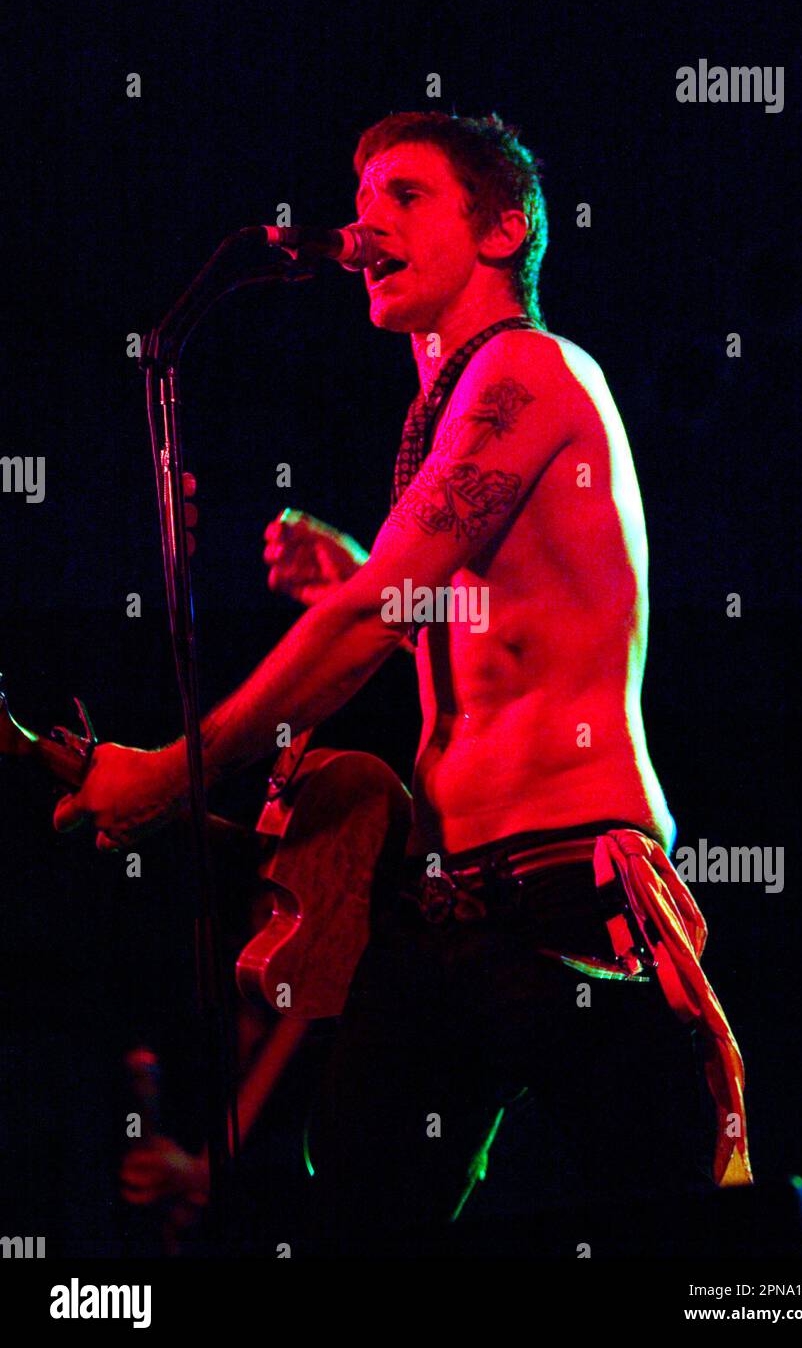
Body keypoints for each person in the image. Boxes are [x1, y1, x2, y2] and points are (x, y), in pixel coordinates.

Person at [54, 112, 751, 1253]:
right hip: (451, 906)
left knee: (673, 1239)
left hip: (573, 883)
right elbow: (499, 616)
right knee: (360, 1217)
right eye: (360, 195)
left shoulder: (526, 368)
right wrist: (369, 576)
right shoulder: (444, 414)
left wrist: (177, 771)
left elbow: (380, 612)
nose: (362, 220)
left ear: (503, 228)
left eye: (404, 195)